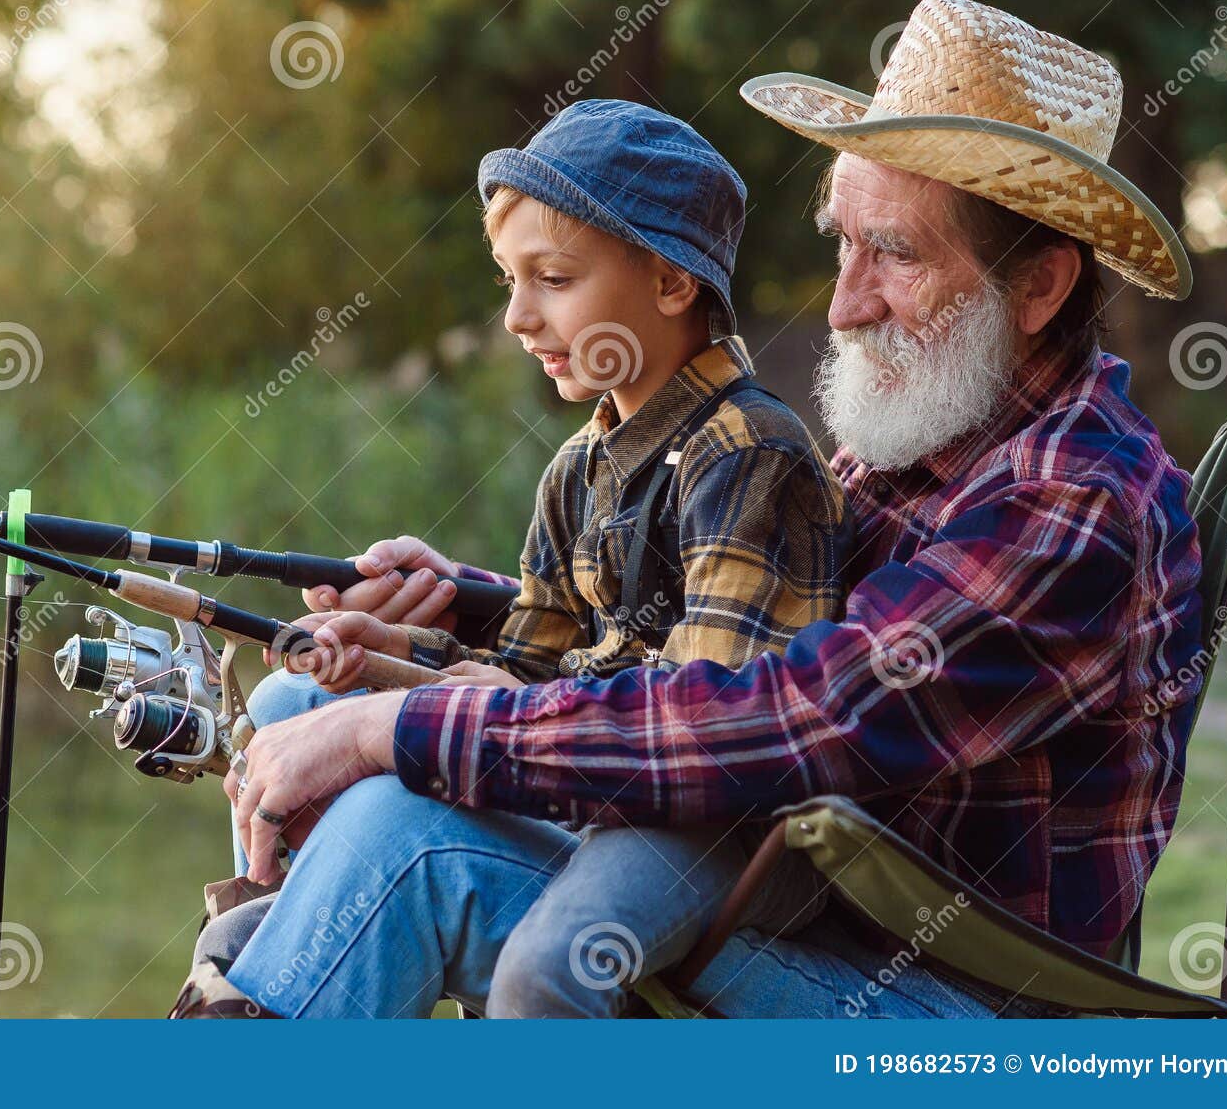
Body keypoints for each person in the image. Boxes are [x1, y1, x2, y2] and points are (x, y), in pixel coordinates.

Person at [205, 0, 1202, 1019]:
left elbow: (781, 715)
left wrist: (403, 726)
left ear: (1036, 287)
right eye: (842, 245)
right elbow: (734, 616)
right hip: (808, 913)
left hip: (949, 1004)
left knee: (402, 837)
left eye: (896, 254)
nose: (843, 304)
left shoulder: (1072, 505)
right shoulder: (928, 442)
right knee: (303, 747)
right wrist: (465, 609)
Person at [193, 99, 851, 1018]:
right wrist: (379, 654)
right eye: (509, 279)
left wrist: (415, 710)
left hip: (716, 825)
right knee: (290, 701)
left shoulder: (750, 451)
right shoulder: (578, 468)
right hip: (603, 773)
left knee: (550, 947)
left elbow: (709, 718)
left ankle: (279, 975)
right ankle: (283, 934)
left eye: (552, 278)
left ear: (669, 283)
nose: (516, 317)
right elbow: (524, 671)